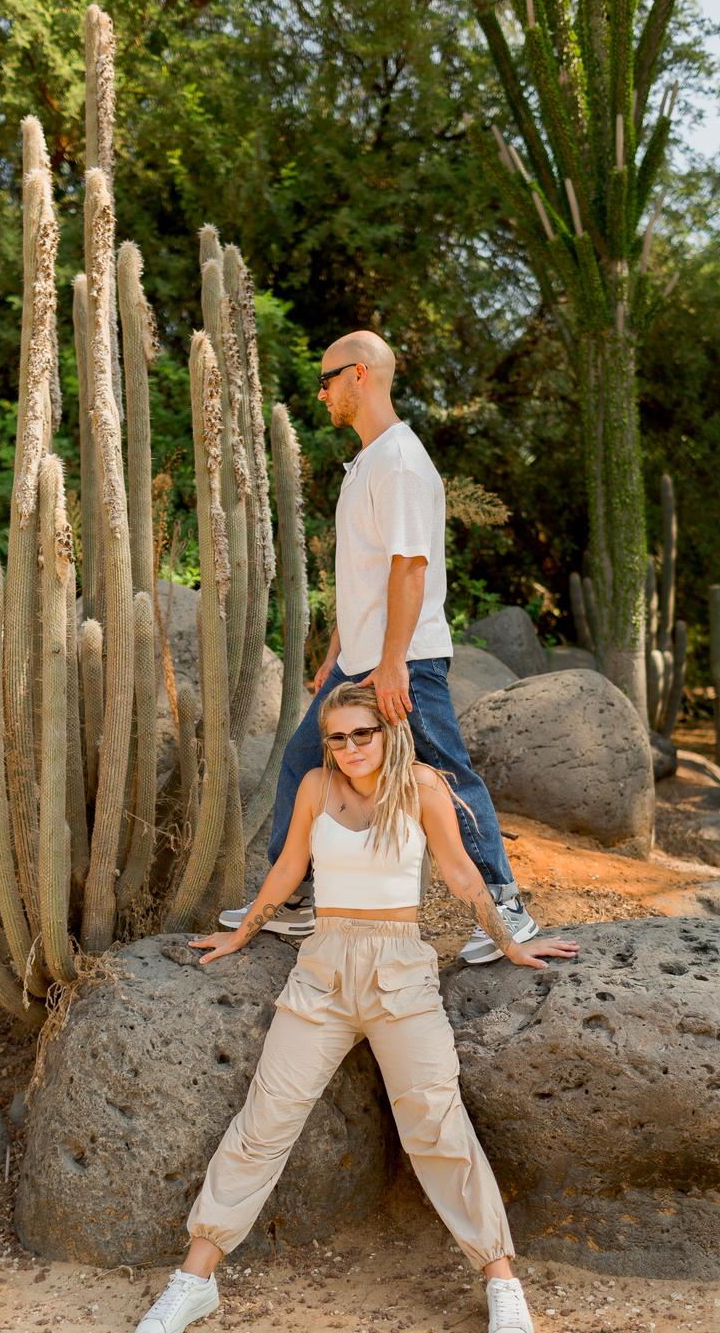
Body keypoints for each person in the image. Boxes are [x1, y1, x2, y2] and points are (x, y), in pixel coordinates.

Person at [133, 683, 579, 1333]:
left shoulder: (423, 786)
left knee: (435, 1122)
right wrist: (242, 931)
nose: (349, 749)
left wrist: (511, 942)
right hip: (323, 969)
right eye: (336, 738)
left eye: (361, 734)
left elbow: (460, 875)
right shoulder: (315, 786)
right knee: (266, 1118)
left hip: (400, 969)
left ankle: (500, 1283)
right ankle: (195, 1280)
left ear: (387, 730)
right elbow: (287, 872)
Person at [219, 330, 533, 964]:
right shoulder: (368, 461)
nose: (322, 392)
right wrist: (340, 647)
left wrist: (391, 662)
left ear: (359, 375)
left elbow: (411, 567)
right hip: (362, 662)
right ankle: (303, 900)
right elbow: (369, 568)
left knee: (445, 773)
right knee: (303, 763)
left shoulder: (399, 462)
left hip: (403, 660)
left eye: (328, 379)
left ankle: (505, 908)